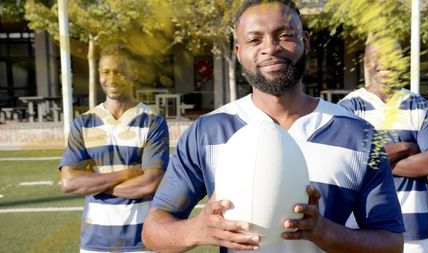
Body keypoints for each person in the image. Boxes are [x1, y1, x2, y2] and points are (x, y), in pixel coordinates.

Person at [142, 1, 404, 252]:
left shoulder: (360, 135)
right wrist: (198, 230)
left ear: (306, 42)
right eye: (255, 40)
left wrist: (324, 232)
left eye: (284, 35)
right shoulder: (207, 132)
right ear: (238, 52)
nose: (270, 48)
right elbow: (153, 230)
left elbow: (391, 243)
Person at [338, 36, 428, 253]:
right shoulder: (347, 109)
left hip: (413, 229)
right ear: (367, 62)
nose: (386, 62)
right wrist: (405, 148)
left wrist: (373, 162)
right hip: (363, 227)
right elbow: (351, 165)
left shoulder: (422, 107)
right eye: (379, 56)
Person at [59, 44, 169, 253]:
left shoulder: (152, 121)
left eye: (119, 71)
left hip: (142, 240)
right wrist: (127, 173)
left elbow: (150, 183)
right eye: (106, 71)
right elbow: (69, 182)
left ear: (134, 74)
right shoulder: (83, 123)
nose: (112, 78)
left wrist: (94, 185)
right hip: (95, 242)